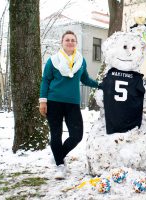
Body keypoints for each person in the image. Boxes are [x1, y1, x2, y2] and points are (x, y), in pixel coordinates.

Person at [39, 30, 100, 180]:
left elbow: (85, 79)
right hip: (54, 102)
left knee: (77, 135)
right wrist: (43, 101)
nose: (70, 42)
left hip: (72, 103)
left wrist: (100, 85)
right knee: (56, 134)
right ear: (62, 42)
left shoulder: (81, 61)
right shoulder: (53, 60)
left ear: (76, 43)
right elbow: (45, 80)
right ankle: (60, 166)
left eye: (73, 40)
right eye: (67, 40)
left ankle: (58, 155)